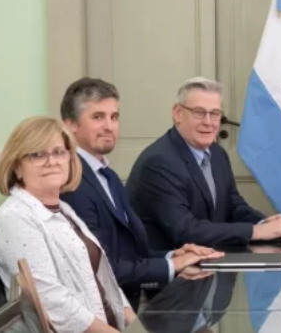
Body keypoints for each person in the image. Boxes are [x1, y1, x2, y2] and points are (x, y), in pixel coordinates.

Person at [59, 78, 222, 309]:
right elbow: (102, 269)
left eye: (114, 117)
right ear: (71, 124)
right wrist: (172, 266)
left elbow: (130, 253)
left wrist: (172, 256)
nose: (109, 126)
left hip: (129, 303)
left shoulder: (107, 175)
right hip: (106, 313)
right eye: (97, 117)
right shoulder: (71, 181)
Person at [0, 116, 133, 333]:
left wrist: (137, 325)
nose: (52, 161)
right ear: (17, 167)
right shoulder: (14, 217)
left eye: (59, 152)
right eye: (38, 154)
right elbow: (50, 300)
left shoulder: (64, 209)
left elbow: (102, 281)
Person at [127, 77, 281, 248]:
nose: (208, 122)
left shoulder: (217, 154)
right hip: (171, 262)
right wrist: (256, 231)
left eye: (215, 114)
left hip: (212, 256)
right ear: (178, 113)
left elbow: (234, 206)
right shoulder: (159, 163)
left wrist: (265, 224)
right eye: (199, 112)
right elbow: (186, 231)